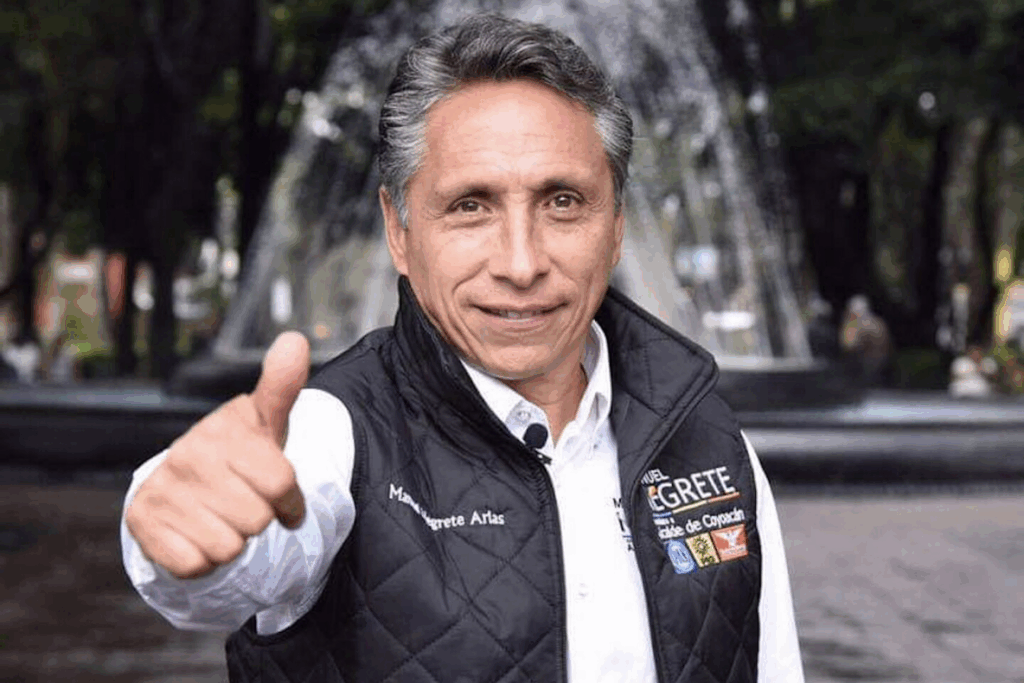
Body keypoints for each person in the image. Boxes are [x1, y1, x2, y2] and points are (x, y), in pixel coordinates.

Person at [121, 14, 804, 683]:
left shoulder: (710, 442)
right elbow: (232, 567)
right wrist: (176, 530)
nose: (521, 263)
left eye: (563, 201)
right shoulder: (336, 435)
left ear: (617, 226)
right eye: (471, 205)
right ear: (399, 231)